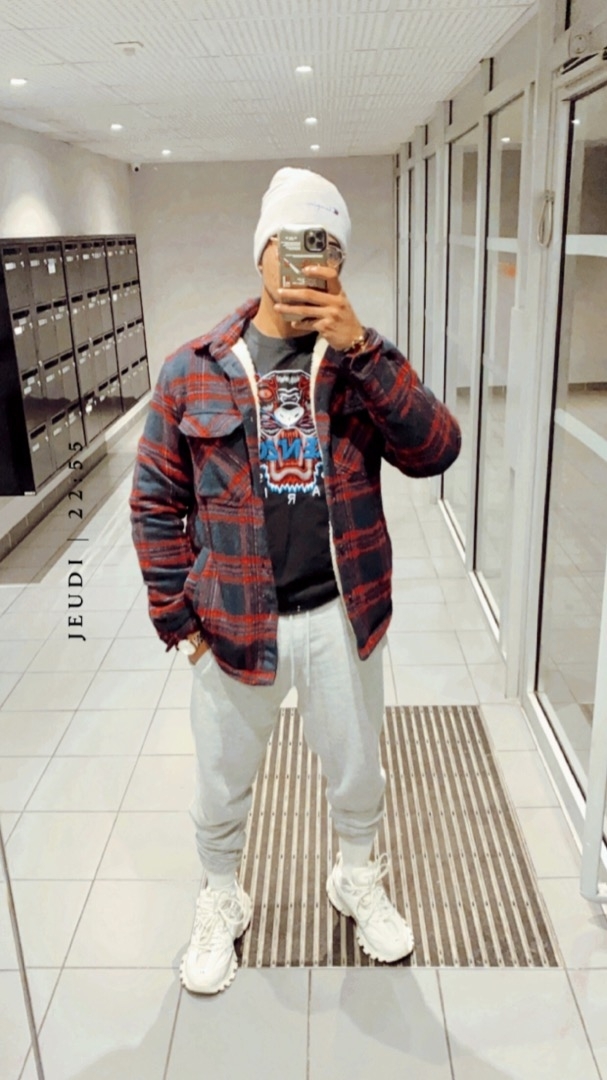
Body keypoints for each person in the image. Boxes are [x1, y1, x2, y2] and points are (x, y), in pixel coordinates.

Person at [130, 167, 461, 995]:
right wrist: (180, 622)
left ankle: (356, 875)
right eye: (295, 244)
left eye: (328, 250)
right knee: (221, 780)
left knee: (356, 769)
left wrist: (362, 347)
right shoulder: (191, 370)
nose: (311, 263)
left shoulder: (358, 363)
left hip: (341, 613)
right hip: (232, 621)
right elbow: (155, 503)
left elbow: (437, 449)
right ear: (261, 252)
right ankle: (221, 895)